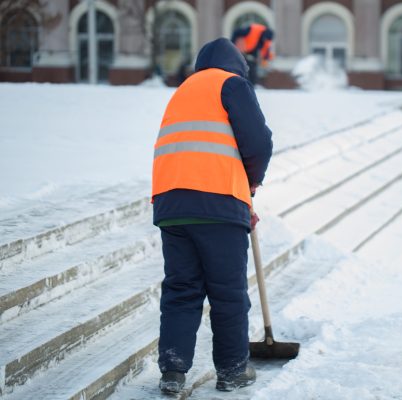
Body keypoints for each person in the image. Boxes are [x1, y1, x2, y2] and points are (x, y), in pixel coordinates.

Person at [151, 38, 273, 394]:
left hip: (172, 205)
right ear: (238, 66)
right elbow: (258, 143)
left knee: (181, 290)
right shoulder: (232, 84)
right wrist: (250, 185)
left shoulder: (183, 91)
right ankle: (233, 370)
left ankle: (172, 370)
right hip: (219, 203)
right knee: (228, 292)